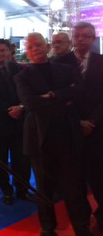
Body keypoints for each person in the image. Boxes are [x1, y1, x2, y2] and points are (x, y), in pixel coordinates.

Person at [14, 32, 92, 236]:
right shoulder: (22, 76)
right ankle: (48, 228)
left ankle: (81, 227)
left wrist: (51, 95)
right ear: (27, 52)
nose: (35, 49)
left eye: (39, 45)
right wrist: (63, 99)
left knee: (74, 187)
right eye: (30, 47)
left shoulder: (66, 69)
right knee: (43, 187)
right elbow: (31, 104)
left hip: (67, 134)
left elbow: (80, 91)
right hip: (39, 138)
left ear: (47, 46)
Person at [56, 21, 103, 230]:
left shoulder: (102, 61)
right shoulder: (59, 63)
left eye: (86, 35)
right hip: (70, 130)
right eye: (78, 35)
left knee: (99, 177)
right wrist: (77, 122)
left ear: (93, 38)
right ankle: (81, 222)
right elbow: (57, 97)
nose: (81, 39)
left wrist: (92, 121)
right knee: (74, 181)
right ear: (73, 38)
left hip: (98, 128)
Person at [0, 39, 33, 205]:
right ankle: (6, 191)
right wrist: (10, 109)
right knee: (0, 160)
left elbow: (26, 91)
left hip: (19, 121)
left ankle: (22, 190)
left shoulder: (18, 68)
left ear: (9, 51)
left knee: (22, 160)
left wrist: (21, 107)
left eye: (2, 51)